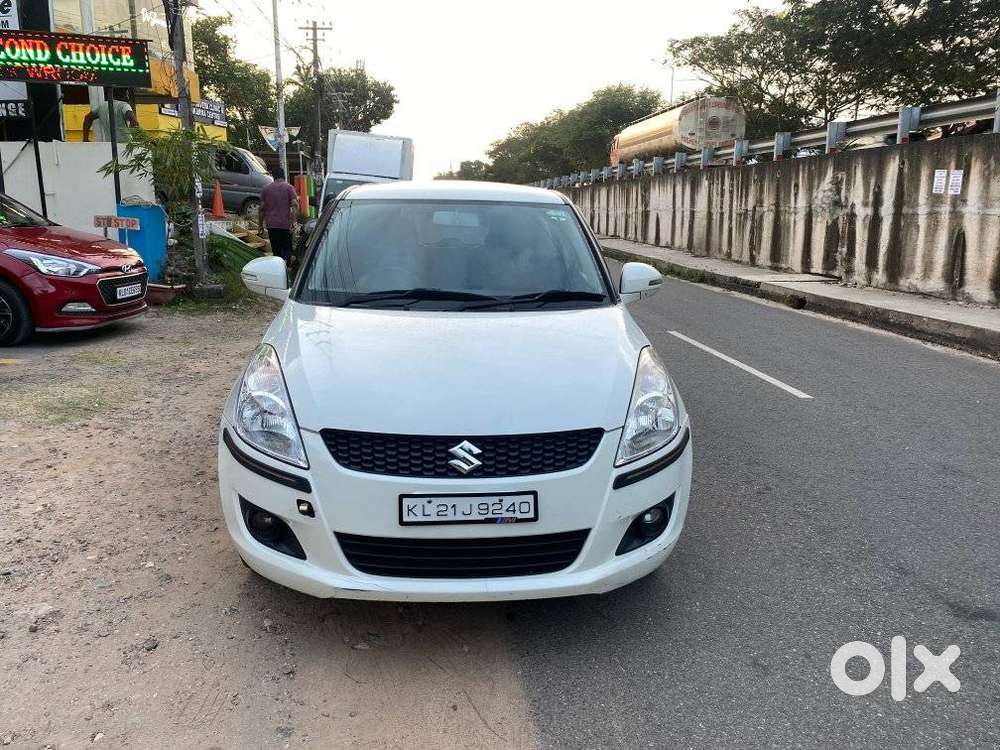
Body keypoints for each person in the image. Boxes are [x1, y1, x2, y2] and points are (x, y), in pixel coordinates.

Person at [258, 167, 299, 264]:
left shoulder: (266, 189)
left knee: (276, 252)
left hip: (272, 225)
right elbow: (295, 205)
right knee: (287, 251)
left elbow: (261, 209)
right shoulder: (289, 188)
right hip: (285, 225)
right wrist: (294, 222)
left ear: (273, 176)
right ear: (284, 176)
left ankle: (278, 269)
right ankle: (288, 269)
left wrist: (260, 225)